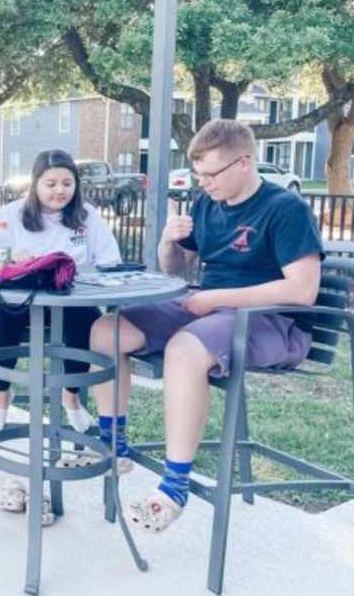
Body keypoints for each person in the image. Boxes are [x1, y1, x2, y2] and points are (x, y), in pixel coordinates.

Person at [88, 119, 321, 532]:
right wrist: (167, 241)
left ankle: (174, 487)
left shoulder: (285, 209)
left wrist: (216, 299)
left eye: (212, 174)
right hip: (210, 310)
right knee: (107, 330)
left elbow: (302, 290)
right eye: (199, 175)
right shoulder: (207, 205)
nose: (204, 183)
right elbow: (177, 269)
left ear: (245, 163)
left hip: (272, 322)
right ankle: (114, 445)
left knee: (184, 349)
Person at [0, 149, 121, 433]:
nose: (60, 191)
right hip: (19, 299)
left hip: (69, 299)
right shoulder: (10, 214)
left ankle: (70, 396)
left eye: (67, 183)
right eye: (51, 184)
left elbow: (110, 261)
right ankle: (3, 393)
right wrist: (10, 256)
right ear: (35, 183)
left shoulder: (88, 216)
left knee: (90, 325)